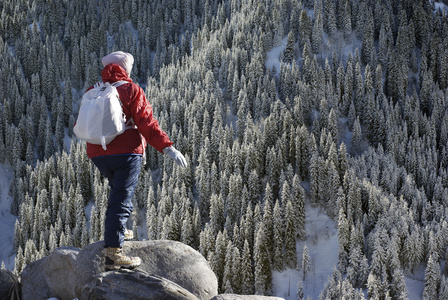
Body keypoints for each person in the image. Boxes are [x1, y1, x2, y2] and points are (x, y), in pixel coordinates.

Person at [85, 51, 187, 270]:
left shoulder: (94, 90)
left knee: (118, 193)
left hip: (97, 153)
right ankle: (113, 255)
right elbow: (147, 124)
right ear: (125, 68)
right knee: (121, 198)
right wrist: (167, 147)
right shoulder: (131, 90)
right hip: (127, 153)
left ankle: (118, 230)